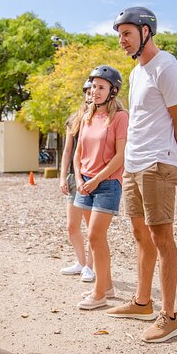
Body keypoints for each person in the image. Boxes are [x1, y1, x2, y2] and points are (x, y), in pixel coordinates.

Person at [105, 7, 177, 342]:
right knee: (141, 236)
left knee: (162, 238)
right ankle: (142, 302)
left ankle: (169, 316)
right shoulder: (138, 72)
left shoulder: (166, 67)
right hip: (135, 164)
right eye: (119, 35)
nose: (122, 41)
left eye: (126, 33)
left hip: (158, 163)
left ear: (146, 31)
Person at [74, 66, 128, 310]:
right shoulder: (86, 116)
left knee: (95, 235)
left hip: (106, 183)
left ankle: (99, 295)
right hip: (84, 182)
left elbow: (120, 157)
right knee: (97, 239)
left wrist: (95, 180)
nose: (95, 91)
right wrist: (78, 179)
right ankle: (106, 286)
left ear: (113, 91)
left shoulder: (119, 118)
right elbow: (78, 152)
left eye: (101, 87)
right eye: (93, 86)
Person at [59, 80, 95, 283]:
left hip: (91, 177)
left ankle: (91, 266)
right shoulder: (75, 119)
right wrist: (63, 176)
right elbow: (67, 150)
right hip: (74, 177)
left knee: (92, 228)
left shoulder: (102, 118)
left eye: (94, 91)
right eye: (88, 91)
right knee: (72, 226)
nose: (91, 95)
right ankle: (81, 263)